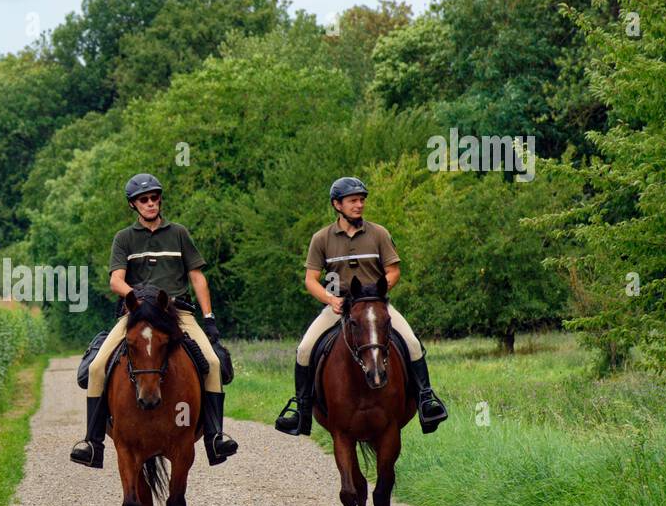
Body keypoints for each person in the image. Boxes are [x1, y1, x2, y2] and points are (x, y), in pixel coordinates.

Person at [71, 174, 239, 468]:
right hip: (136, 313)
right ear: (133, 205)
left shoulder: (179, 233)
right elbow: (115, 281)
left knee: (211, 362)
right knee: (98, 366)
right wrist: (138, 297)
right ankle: (92, 442)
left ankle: (215, 437)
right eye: (143, 200)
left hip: (177, 313)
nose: (150, 203)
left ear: (159, 200)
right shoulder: (124, 238)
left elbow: (197, 277)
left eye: (154, 198)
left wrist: (209, 317)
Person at [274, 177, 449, 436]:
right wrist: (330, 299)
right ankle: (302, 410)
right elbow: (310, 280)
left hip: (375, 306)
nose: (359, 205)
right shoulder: (321, 238)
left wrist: (376, 294)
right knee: (304, 348)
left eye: (362, 200)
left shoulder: (379, 233)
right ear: (337, 204)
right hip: (339, 306)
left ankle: (425, 400)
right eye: (353, 201)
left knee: (412, 343)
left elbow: (393, 271)